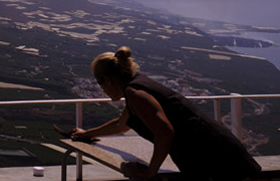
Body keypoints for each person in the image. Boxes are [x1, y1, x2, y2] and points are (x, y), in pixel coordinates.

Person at [71, 46, 261, 181]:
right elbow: (121, 125)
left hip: (215, 159)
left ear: (108, 79)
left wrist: (149, 172)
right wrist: (86, 134)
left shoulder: (135, 93)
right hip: (214, 154)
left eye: (98, 82)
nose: (101, 88)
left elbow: (164, 132)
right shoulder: (137, 87)